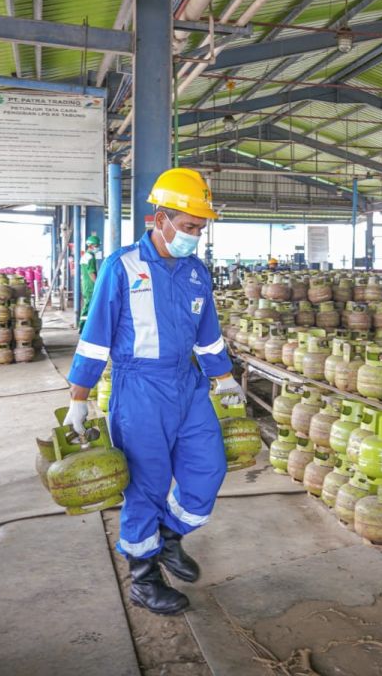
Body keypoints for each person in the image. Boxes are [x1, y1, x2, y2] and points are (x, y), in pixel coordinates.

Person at [64, 168, 245, 616]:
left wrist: (224, 379)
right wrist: (78, 399)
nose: (194, 237)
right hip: (139, 388)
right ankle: (143, 579)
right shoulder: (121, 267)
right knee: (146, 485)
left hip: (187, 385)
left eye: (199, 229)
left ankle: (168, 539)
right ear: (160, 219)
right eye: (188, 227)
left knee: (208, 466)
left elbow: (209, 336)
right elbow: (95, 338)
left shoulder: (196, 273)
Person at [78, 233, 103, 327]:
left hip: (86, 284)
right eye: (96, 246)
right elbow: (91, 272)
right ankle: (82, 326)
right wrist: (97, 284)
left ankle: (85, 325)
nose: (98, 248)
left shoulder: (85, 256)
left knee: (88, 305)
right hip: (90, 286)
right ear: (91, 246)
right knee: (88, 305)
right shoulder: (90, 257)